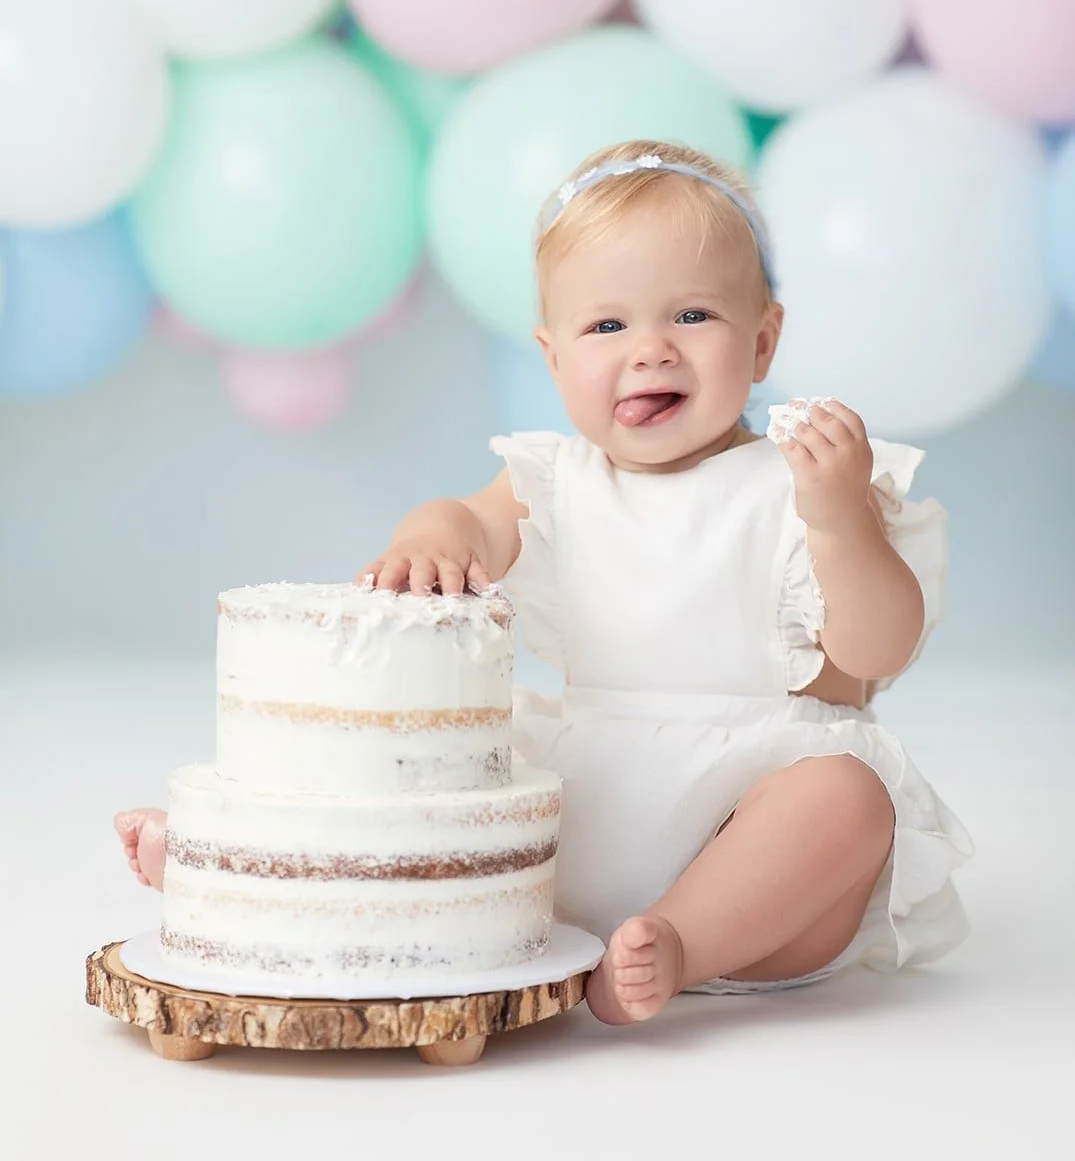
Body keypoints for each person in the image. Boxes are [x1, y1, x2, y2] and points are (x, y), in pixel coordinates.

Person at [117, 139, 973, 1026]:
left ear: (762, 342)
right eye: (606, 327)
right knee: (431, 760)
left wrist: (840, 522)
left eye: (690, 317)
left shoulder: (804, 484)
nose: (649, 352)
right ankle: (257, 870)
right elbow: (465, 519)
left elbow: (876, 651)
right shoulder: (556, 479)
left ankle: (678, 943)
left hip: (748, 830)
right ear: (552, 358)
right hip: (570, 808)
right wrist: (430, 542)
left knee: (845, 799)